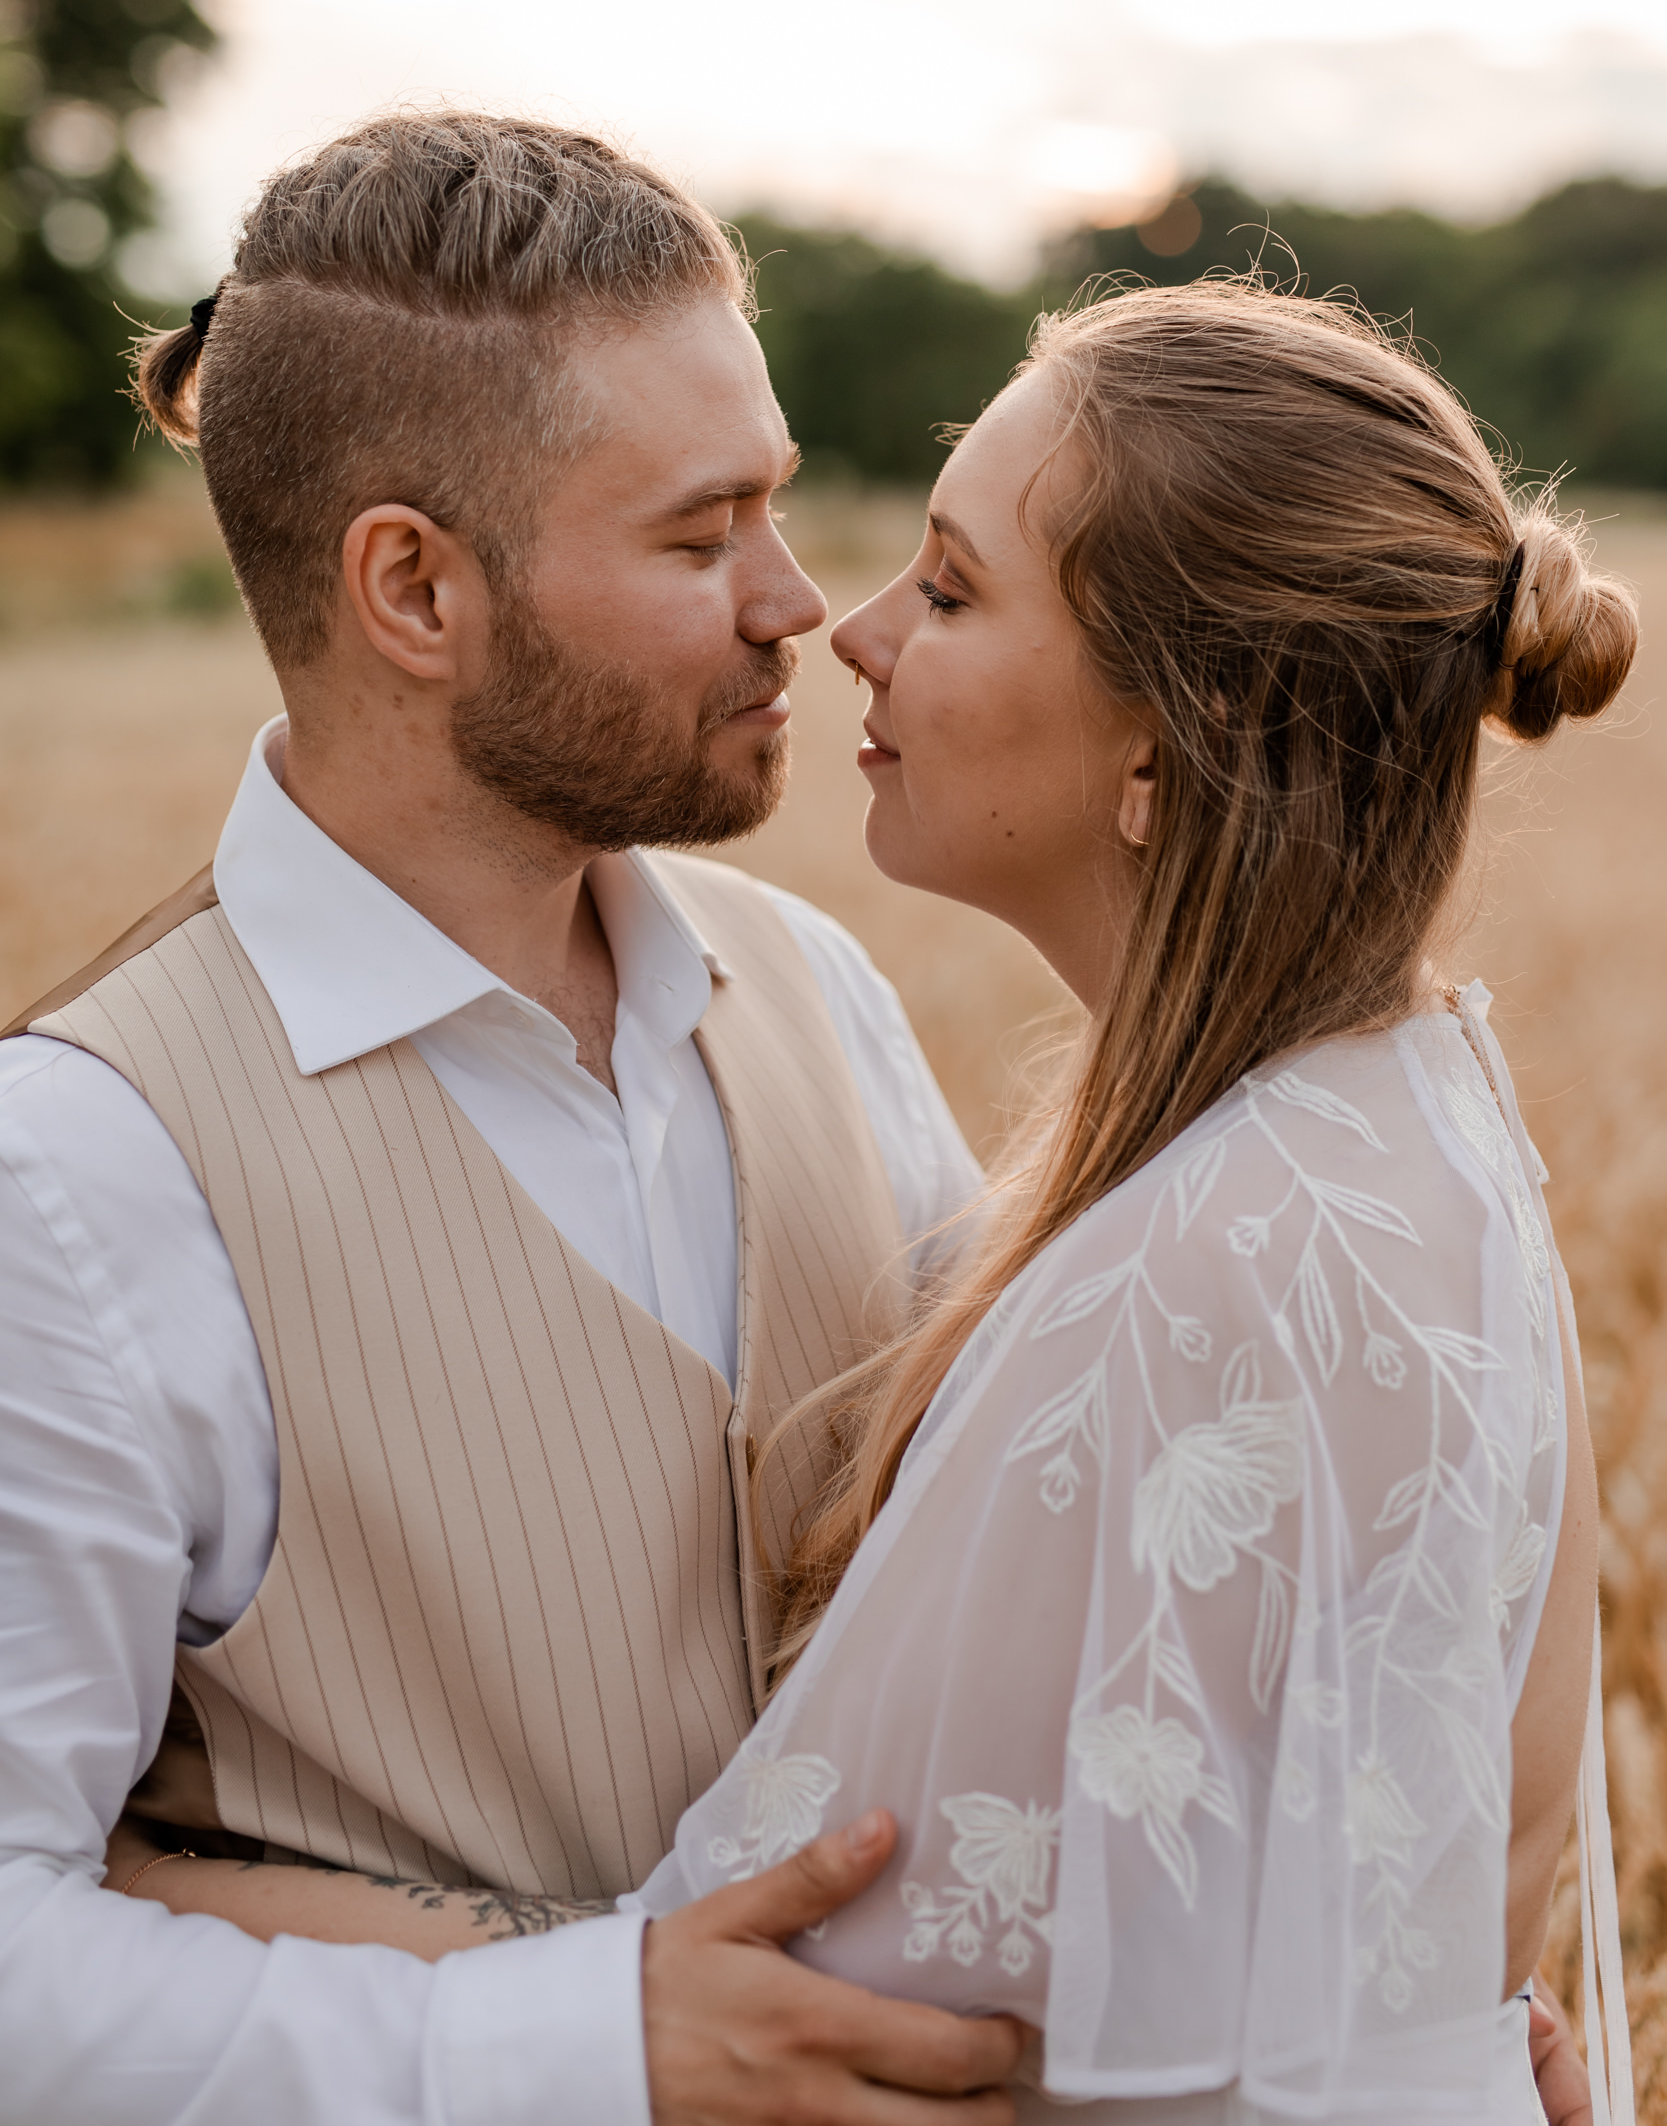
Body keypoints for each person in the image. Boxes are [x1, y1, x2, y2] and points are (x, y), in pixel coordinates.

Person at [109, 276, 1639, 2120]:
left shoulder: (1188, 1275)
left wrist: (143, 1887)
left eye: (952, 583)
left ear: (1172, 735)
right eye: (708, 528)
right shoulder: (1421, 1124)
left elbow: (785, 1994)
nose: (842, 628)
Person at [0, 115, 1028, 2126]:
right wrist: (582, 2038)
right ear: (413, 588)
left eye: (779, 505)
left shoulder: (813, 987)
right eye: (697, 529)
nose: (795, 601)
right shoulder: (79, 1175)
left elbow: (1039, 1625)